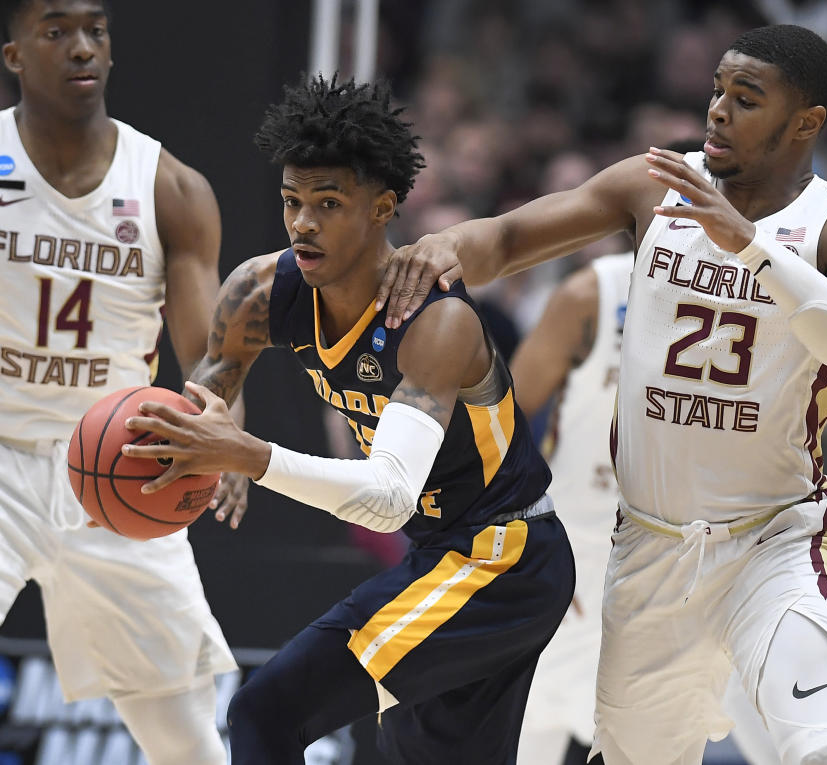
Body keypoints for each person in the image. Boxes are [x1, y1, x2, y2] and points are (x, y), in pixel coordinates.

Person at [376, 24, 827, 765]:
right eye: (718, 91)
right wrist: (450, 245)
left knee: (821, 749)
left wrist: (753, 249)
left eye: (746, 98)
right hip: (650, 551)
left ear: (807, 122)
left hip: (775, 543)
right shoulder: (656, 183)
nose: (719, 111)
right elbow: (505, 239)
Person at [119, 74, 575, 765]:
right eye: (292, 201)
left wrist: (245, 454)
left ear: (382, 208)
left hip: (501, 555)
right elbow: (215, 384)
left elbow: (388, 499)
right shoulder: (259, 289)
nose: (302, 222)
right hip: (449, 555)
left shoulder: (435, 323)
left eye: (327, 203)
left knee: (266, 710)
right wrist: (208, 428)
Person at [512, 251, 827, 765]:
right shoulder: (595, 293)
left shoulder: (763, 292)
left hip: (713, 573)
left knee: (801, 748)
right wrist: (522, 551)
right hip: (577, 576)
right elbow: (501, 430)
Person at [0, 2, 244, 763]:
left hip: (117, 463)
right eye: (57, 31)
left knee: (186, 738)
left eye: (96, 31)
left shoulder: (169, 187)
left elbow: (209, 352)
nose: (82, 48)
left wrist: (220, 429)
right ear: (14, 55)